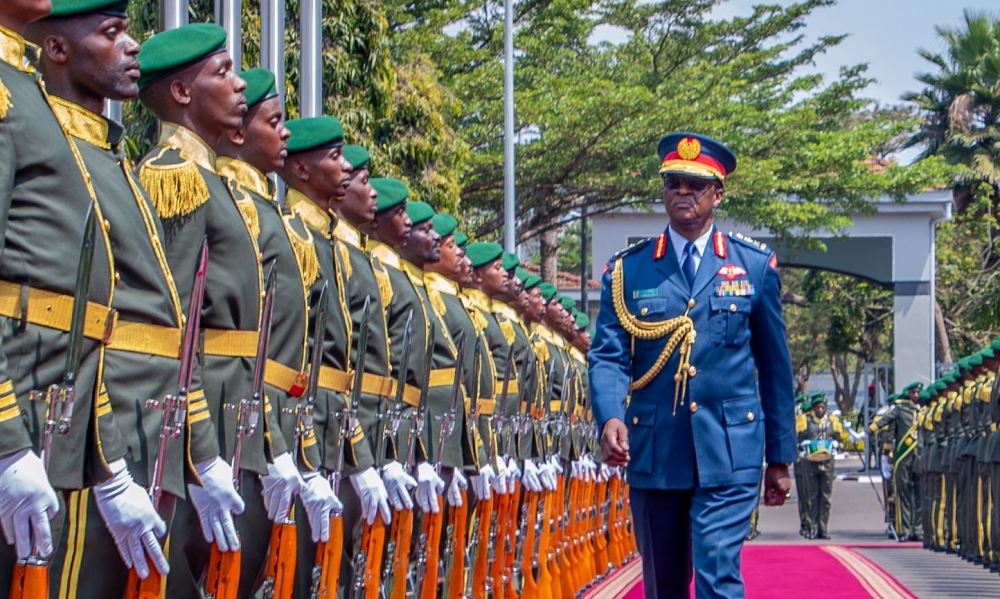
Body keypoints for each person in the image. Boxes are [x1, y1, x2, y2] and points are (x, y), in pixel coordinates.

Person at [590, 133, 795, 598]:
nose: (682, 192)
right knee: (663, 584)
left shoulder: (753, 267)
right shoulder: (629, 270)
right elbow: (606, 355)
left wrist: (780, 458)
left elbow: (776, 369)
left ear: (717, 194)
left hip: (729, 450)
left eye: (695, 184)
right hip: (656, 452)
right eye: (673, 182)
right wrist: (610, 416)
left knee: (719, 576)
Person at [136, 24, 296, 598]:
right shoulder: (176, 177)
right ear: (182, 93)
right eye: (224, 73)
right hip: (203, 422)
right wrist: (201, 451)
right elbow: (178, 331)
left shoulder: (213, 183)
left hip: (240, 419)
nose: (238, 87)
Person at [0, 0, 124, 591]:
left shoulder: (25, 93)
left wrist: (108, 460)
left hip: (51, 406)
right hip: (15, 398)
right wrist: (3, 440)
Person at [870, 382, 923, 542]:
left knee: (919, 494)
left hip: (919, 457)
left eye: (917, 392)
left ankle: (918, 529)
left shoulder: (923, 410)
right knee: (904, 494)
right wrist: (868, 431)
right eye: (913, 392)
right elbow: (884, 422)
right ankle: (905, 529)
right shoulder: (900, 409)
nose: (916, 395)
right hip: (903, 457)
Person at [796, 392, 847, 540]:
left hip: (827, 463)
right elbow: (798, 440)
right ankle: (811, 527)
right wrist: (804, 446)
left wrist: (837, 445)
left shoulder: (832, 422)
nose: (820, 410)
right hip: (810, 464)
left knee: (826, 498)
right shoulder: (805, 421)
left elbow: (840, 440)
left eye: (822, 407)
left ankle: (823, 528)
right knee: (811, 497)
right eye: (817, 407)